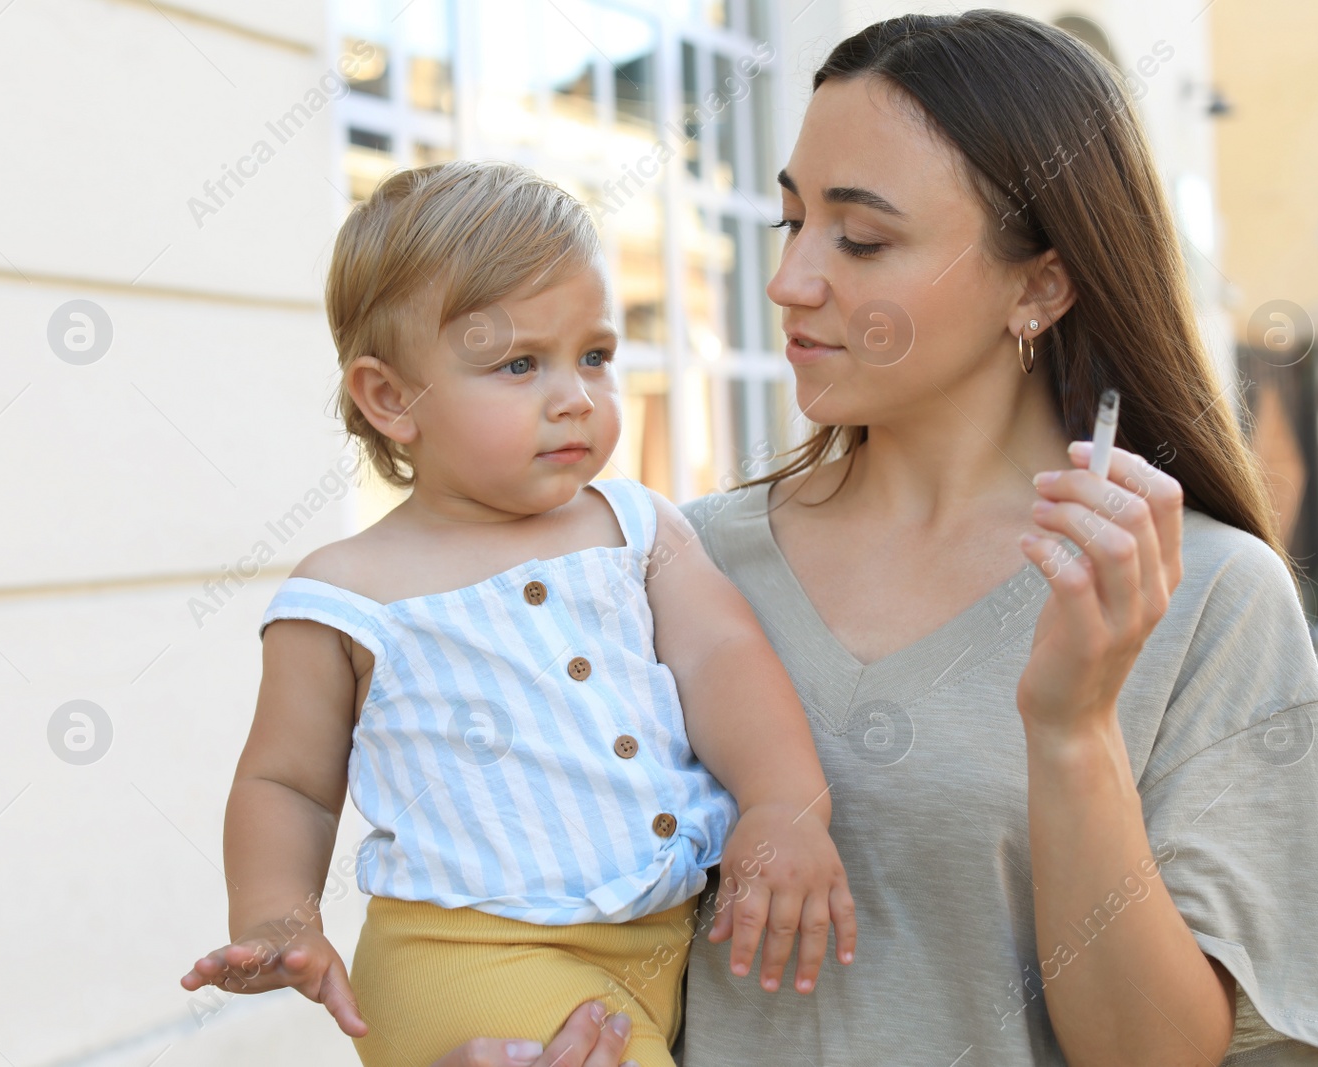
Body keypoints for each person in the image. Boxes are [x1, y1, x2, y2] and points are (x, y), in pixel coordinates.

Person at [429, 10, 1318, 1066]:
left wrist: (1072, 730)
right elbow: (559, 919)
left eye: (861, 238)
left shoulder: (1203, 595)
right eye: (792, 224)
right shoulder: (674, 563)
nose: (791, 281)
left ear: (1039, 283)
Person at [178, 160, 857, 1067]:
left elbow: (725, 657)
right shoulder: (347, 594)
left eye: (595, 356)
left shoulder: (636, 528)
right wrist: (274, 914)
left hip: (655, 941)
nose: (575, 393)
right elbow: (286, 782)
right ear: (390, 398)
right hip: (465, 954)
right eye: (519, 364)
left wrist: (782, 802)